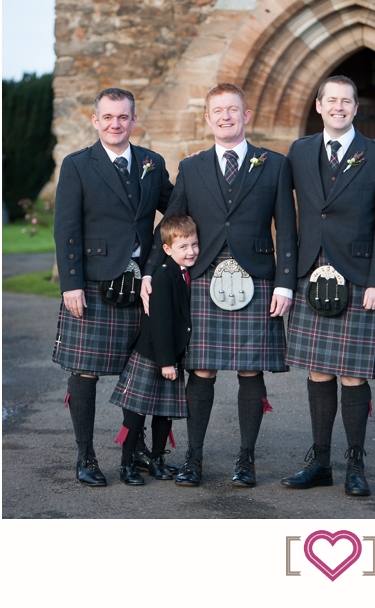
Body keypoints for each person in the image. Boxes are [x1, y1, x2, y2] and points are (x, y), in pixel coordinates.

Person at [142, 83, 296, 487]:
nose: (225, 116)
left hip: (257, 278)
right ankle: (194, 458)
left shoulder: (274, 164)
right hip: (204, 276)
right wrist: (148, 272)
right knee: (202, 370)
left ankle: (246, 460)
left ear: (246, 116)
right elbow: (170, 221)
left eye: (233, 110)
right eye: (218, 111)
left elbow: (288, 228)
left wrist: (285, 284)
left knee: (250, 371)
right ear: (207, 119)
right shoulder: (191, 168)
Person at [280, 75, 375, 498]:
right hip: (310, 272)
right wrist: (286, 278)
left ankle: (355, 463)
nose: (338, 107)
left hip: (356, 277)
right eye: (331, 100)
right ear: (318, 106)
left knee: (352, 374)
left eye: (346, 101)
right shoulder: (298, 151)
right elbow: (279, 205)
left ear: (355, 108)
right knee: (317, 369)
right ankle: (319, 462)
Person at [53, 87, 173, 486]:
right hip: (92, 282)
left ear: (133, 120)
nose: (115, 124)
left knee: (141, 370)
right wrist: (71, 284)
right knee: (85, 371)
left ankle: (134, 448)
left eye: (122, 117)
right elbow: (66, 227)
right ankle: (85, 456)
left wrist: (197, 174)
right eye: (107, 117)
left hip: (140, 285)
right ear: (95, 120)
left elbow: (174, 213)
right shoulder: (77, 165)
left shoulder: (152, 163)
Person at [109, 214, 197, 484]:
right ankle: (127, 464)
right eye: (183, 247)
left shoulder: (186, 274)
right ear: (168, 249)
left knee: (164, 411)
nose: (191, 251)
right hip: (153, 355)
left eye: (194, 245)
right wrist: (166, 361)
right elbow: (159, 323)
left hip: (171, 355)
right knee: (136, 413)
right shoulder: (162, 275)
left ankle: (157, 460)